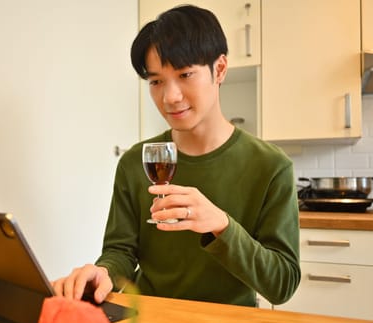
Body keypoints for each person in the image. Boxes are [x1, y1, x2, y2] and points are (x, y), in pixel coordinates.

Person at [53, 4, 300, 307]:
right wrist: (102, 273)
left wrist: (221, 224)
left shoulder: (271, 166)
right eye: (156, 81)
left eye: (185, 74)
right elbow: (121, 252)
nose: (169, 97)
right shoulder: (134, 162)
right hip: (149, 322)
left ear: (219, 69)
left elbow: (282, 284)